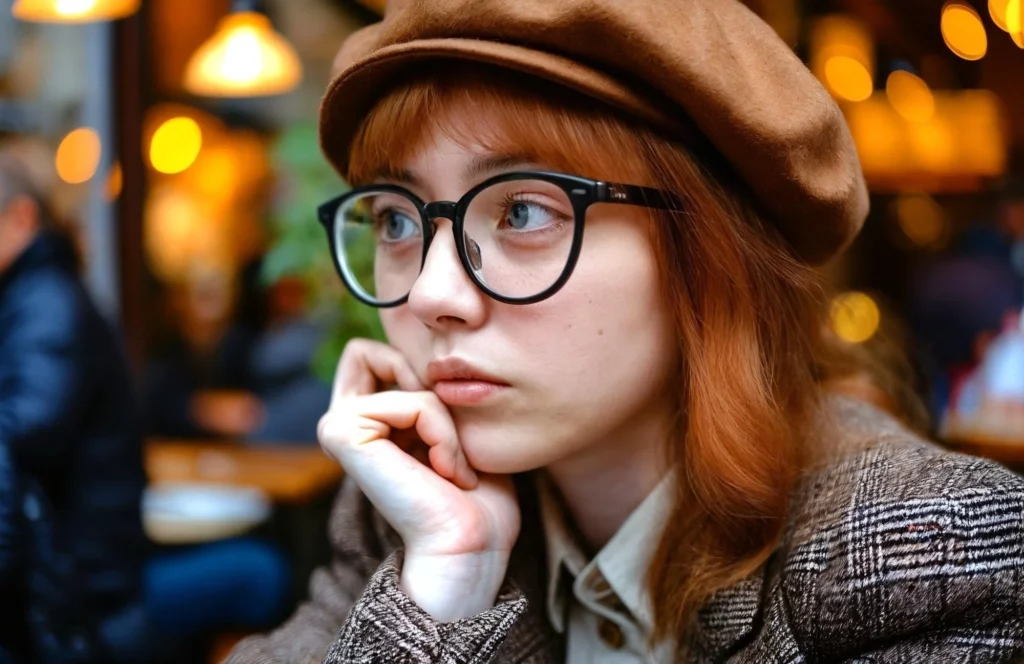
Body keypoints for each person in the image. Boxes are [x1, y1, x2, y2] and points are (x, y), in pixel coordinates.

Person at [229, 1, 1024, 662]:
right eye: (398, 220)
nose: (435, 293)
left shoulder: (921, 553)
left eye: (523, 211)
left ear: (706, 255)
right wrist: (445, 591)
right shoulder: (407, 503)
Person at [0, 142, 289, 662]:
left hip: (86, 582)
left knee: (264, 570)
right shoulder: (44, 295)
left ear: (21, 218)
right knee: (264, 569)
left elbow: (29, 429)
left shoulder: (45, 300)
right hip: (85, 571)